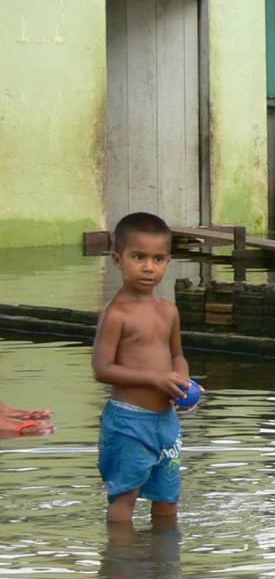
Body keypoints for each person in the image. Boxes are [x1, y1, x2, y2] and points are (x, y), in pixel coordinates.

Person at [93, 212, 198, 524]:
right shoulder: (116, 314)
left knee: (167, 501)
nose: (149, 267)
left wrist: (182, 381)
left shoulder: (169, 311)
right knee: (125, 501)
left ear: (168, 261)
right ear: (117, 259)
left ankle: (161, 568)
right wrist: (155, 378)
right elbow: (102, 369)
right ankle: (120, 566)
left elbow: (177, 355)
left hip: (165, 422)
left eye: (158, 259)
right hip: (128, 422)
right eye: (138, 257)